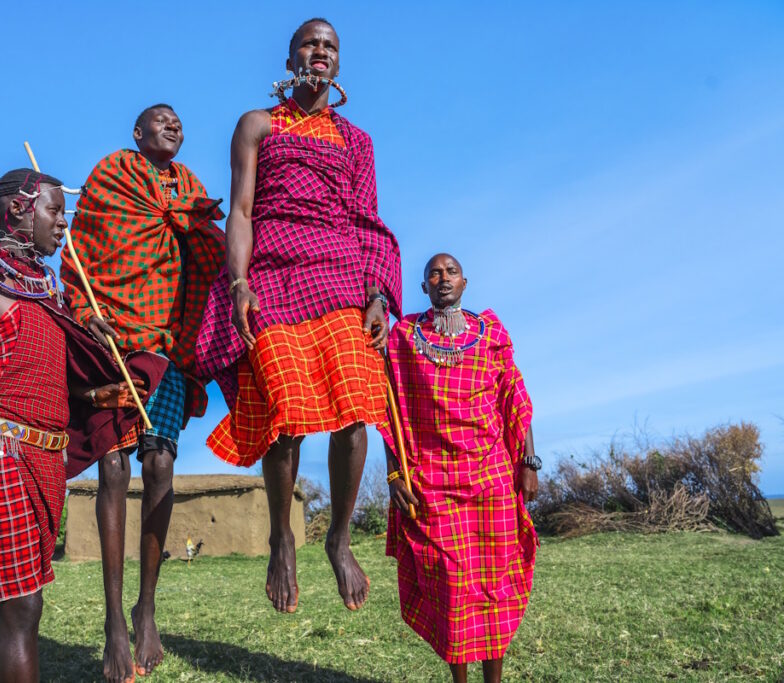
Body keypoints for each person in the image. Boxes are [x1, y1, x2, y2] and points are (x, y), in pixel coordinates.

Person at [0, 169, 163, 683]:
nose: (64, 223)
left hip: (45, 463)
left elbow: (42, 376)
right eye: (55, 211)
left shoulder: (48, 292)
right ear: (19, 210)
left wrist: (96, 385)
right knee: (23, 607)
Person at [195, 18, 401, 614]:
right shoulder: (257, 124)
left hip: (339, 275)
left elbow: (367, 220)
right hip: (273, 275)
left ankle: (338, 535)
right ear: (290, 59)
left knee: (356, 406)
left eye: (330, 45)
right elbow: (240, 211)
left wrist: (377, 295)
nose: (320, 51)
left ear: (338, 63)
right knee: (284, 411)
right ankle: (282, 535)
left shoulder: (356, 140)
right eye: (310, 43)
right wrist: (239, 283)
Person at [61, 105, 225, 681]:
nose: (173, 126)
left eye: (178, 121)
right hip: (109, 338)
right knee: (113, 469)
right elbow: (78, 259)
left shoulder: (191, 189)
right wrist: (84, 311)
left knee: (160, 466)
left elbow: (212, 256)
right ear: (137, 133)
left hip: (165, 342)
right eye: (160, 120)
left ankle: (145, 608)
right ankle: (113, 623)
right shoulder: (111, 175)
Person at [380, 253, 540, 683]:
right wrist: (394, 474)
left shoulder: (490, 333)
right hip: (431, 481)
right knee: (451, 589)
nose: (443, 278)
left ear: (464, 283)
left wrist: (528, 462)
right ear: (424, 287)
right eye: (434, 273)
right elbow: (388, 409)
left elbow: (515, 398)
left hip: (491, 478)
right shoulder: (403, 337)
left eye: (451, 272)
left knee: (494, 587)